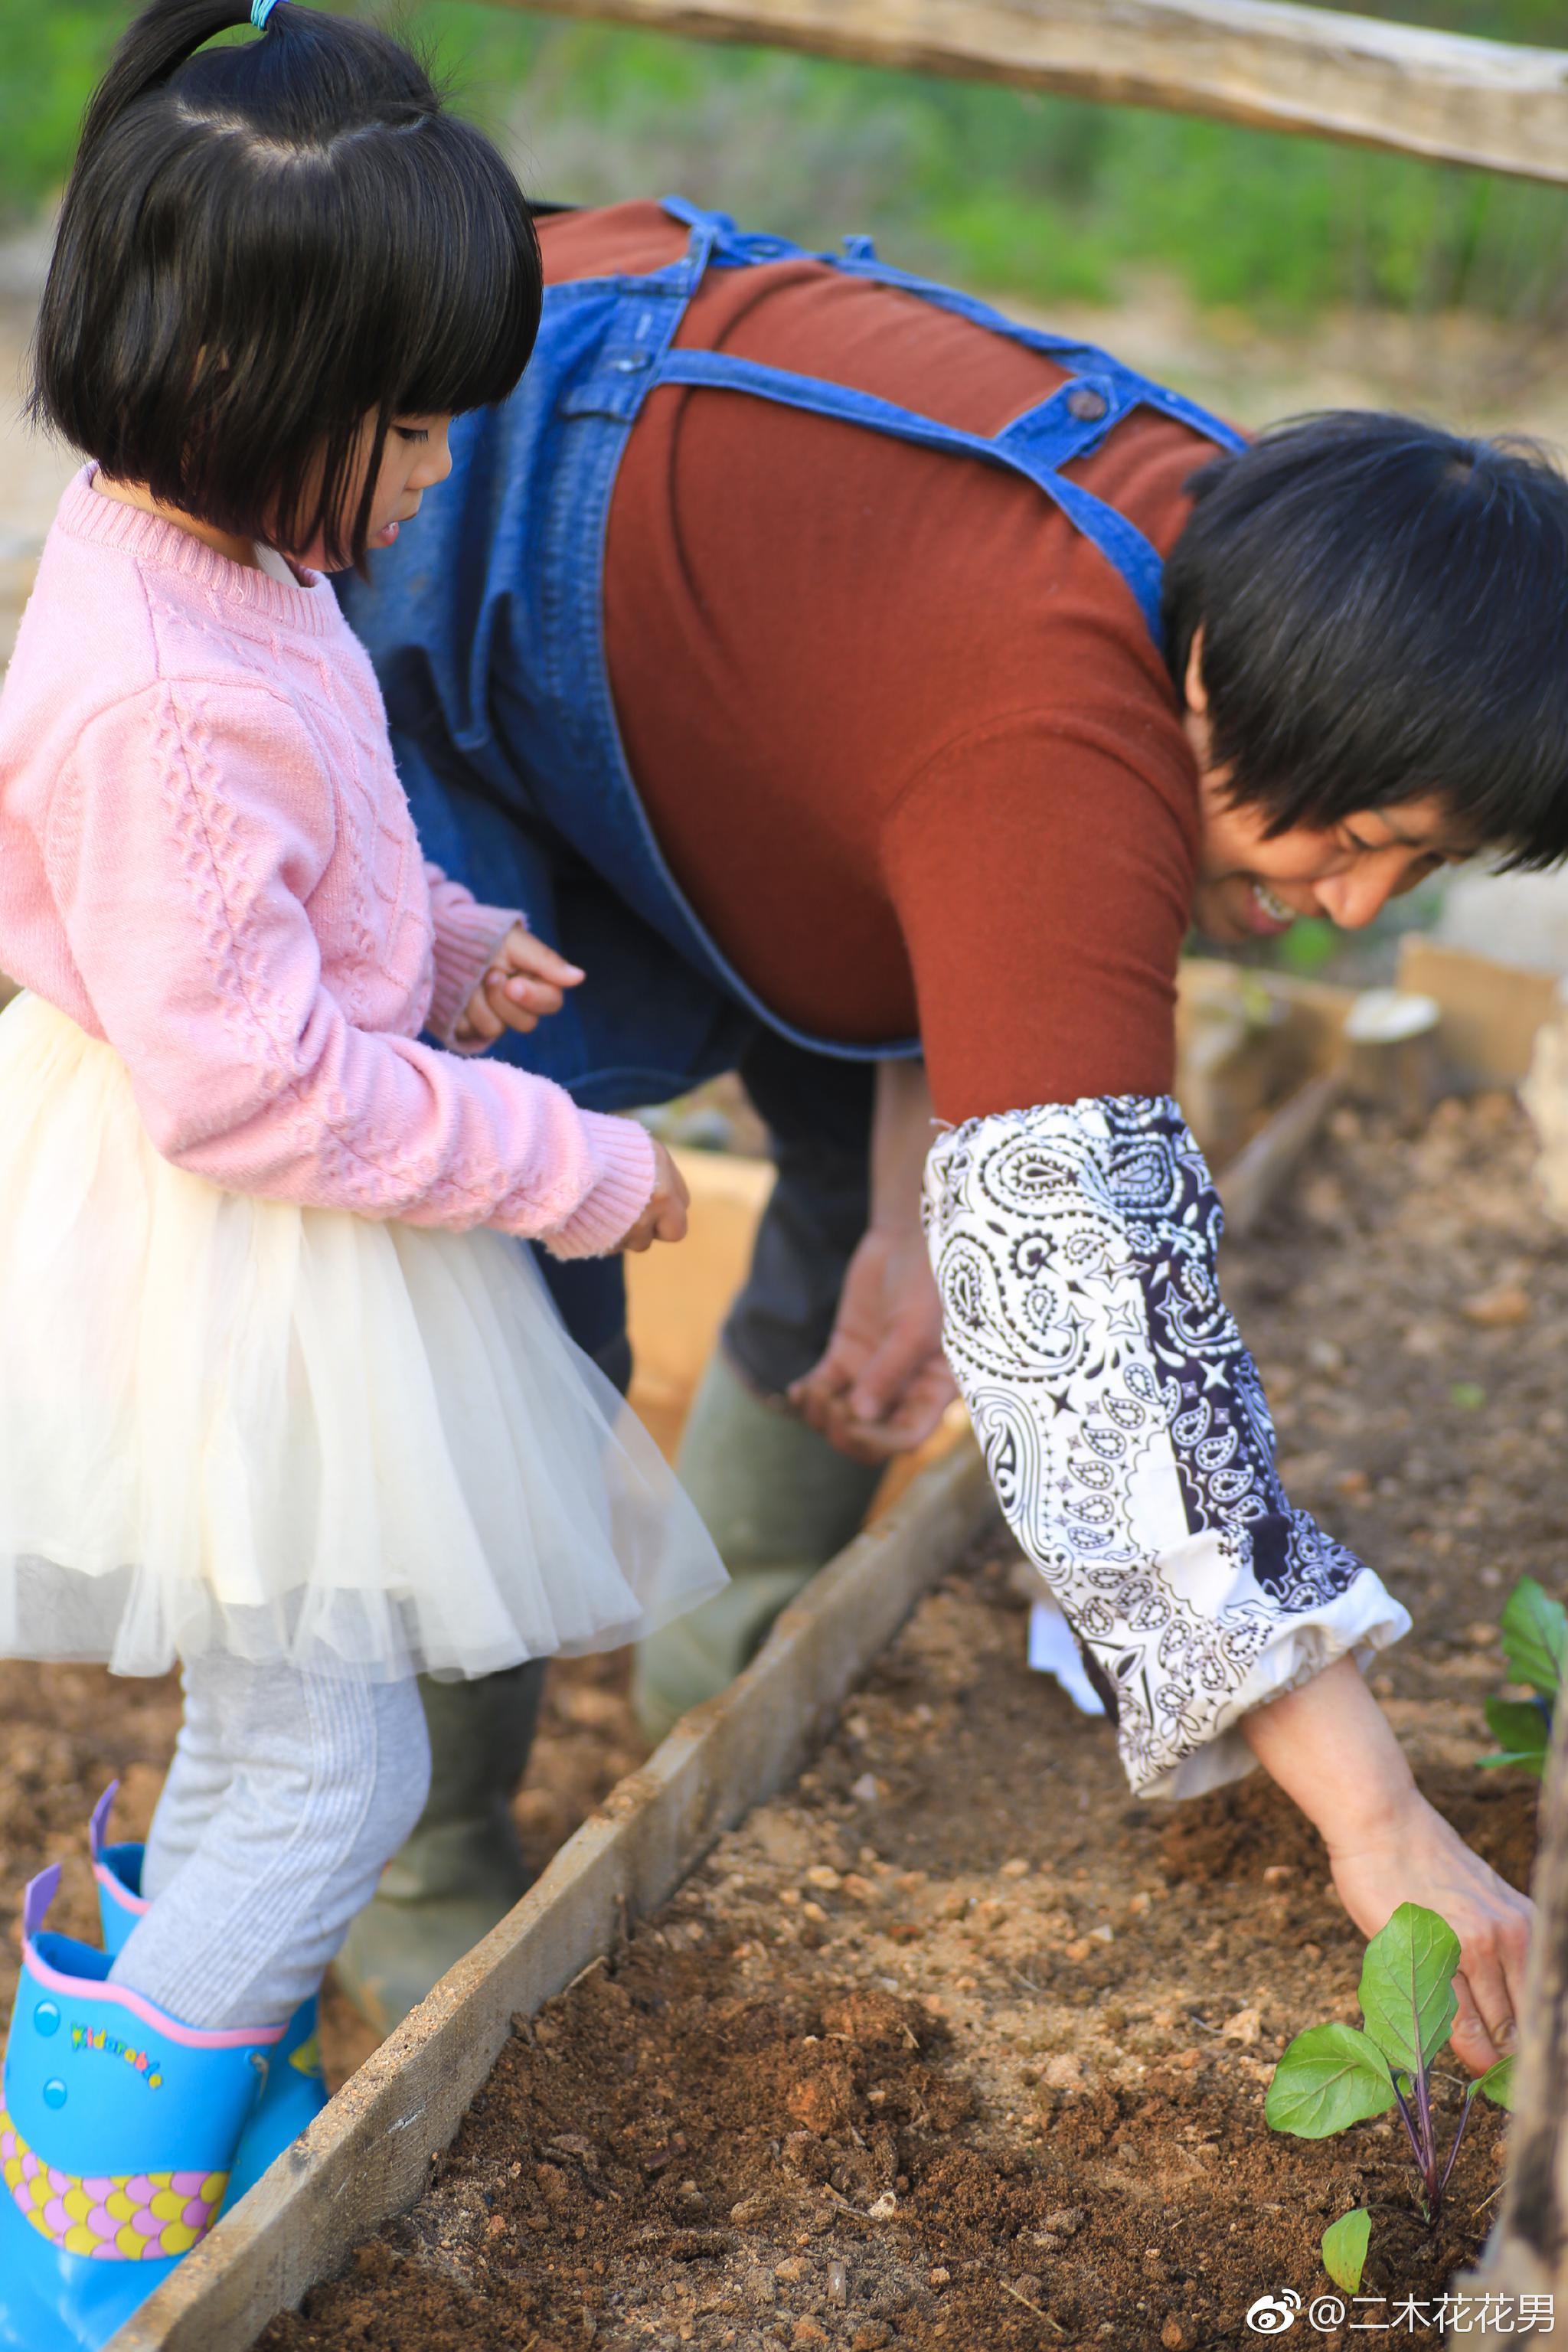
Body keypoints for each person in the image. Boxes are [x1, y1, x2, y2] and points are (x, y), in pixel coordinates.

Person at [335, 199, 1556, 2066]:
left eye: (1424, 865)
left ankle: (717, 1702)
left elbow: (920, 777)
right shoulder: (1068, 740)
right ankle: (421, 1886)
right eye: (1362, 838)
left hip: (725, 558)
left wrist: (915, 1200)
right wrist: (1379, 1822)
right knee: (483, 1256)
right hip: (469, 511)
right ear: (1248, 699)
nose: (1353, 907)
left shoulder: (1312, 576)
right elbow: (1100, 1361)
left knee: (879, 1205)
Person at [0, 18, 725, 2348]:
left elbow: (281, 888)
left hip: (250, 1227)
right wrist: (571, 1166)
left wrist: (436, 943)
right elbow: (250, 1086)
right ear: (240, 379)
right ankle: (86, 2267)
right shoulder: (160, 679)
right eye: (405, 428)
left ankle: (137, 2166)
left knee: (276, 1732)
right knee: (342, 1770)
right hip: (226, 1241)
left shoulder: (222, 556)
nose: (435, 471)